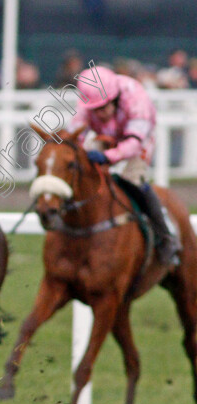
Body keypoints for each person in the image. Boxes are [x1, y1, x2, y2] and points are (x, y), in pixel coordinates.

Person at [71, 65, 179, 265]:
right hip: (108, 136)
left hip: (137, 141)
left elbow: (134, 143)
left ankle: (165, 237)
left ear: (116, 98)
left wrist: (108, 157)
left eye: (103, 108)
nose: (99, 113)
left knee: (131, 178)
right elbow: (75, 133)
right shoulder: (90, 101)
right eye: (94, 110)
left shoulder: (136, 100)